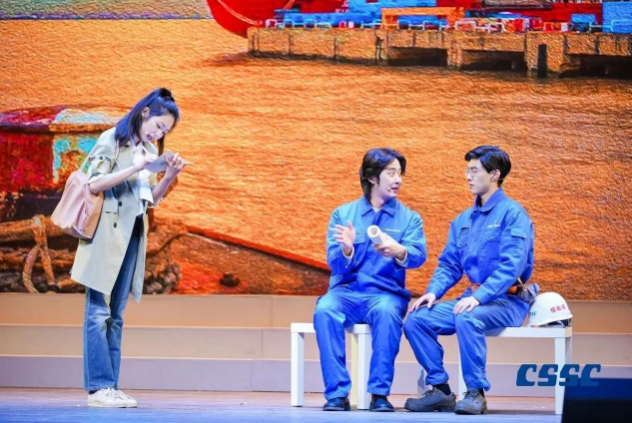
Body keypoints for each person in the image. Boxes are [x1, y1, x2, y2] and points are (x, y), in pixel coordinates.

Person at [71, 88, 188, 408]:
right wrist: (136, 167)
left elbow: (150, 201)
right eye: (159, 126)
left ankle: (111, 385)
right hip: (104, 235)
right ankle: (98, 387)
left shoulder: (147, 149)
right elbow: (93, 184)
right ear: (145, 112)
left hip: (132, 233)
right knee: (98, 311)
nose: (158, 134)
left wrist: (168, 175)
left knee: (117, 315)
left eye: (164, 131)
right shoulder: (112, 140)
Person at [404, 145, 534, 415]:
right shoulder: (463, 220)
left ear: (494, 174)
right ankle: (441, 391)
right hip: (472, 299)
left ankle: (476, 393)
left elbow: (512, 266)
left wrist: (479, 297)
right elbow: (449, 264)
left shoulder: (513, 215)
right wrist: (433, 292)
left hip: (507, 301)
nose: (468, 176)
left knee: (467, 316)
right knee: (416, 319)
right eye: (468, 170)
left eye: (474, 170)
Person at [314, 148, 427, 412]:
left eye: (400, 173)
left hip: (385, 294)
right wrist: (346, 249)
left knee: (387, 313)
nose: (398, 180)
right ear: (372, 177)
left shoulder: (409, 218)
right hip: (346, 293)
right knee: (325, 310)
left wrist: (399, 250)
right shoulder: (343, 214)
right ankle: (337, 394)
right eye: (391, 173)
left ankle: (379, 393)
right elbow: (334, 263)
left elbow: (418, 256)